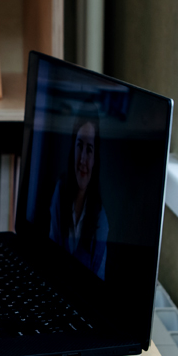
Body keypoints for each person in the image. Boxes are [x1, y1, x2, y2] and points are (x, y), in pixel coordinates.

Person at [48, 108, 109, 279]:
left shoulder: (101, 222)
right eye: (79, 145)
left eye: (89, 149)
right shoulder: (59, 193)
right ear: (72, 149)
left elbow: (98, 283)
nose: (82, 159)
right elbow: (49, 255)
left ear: (95, 158)